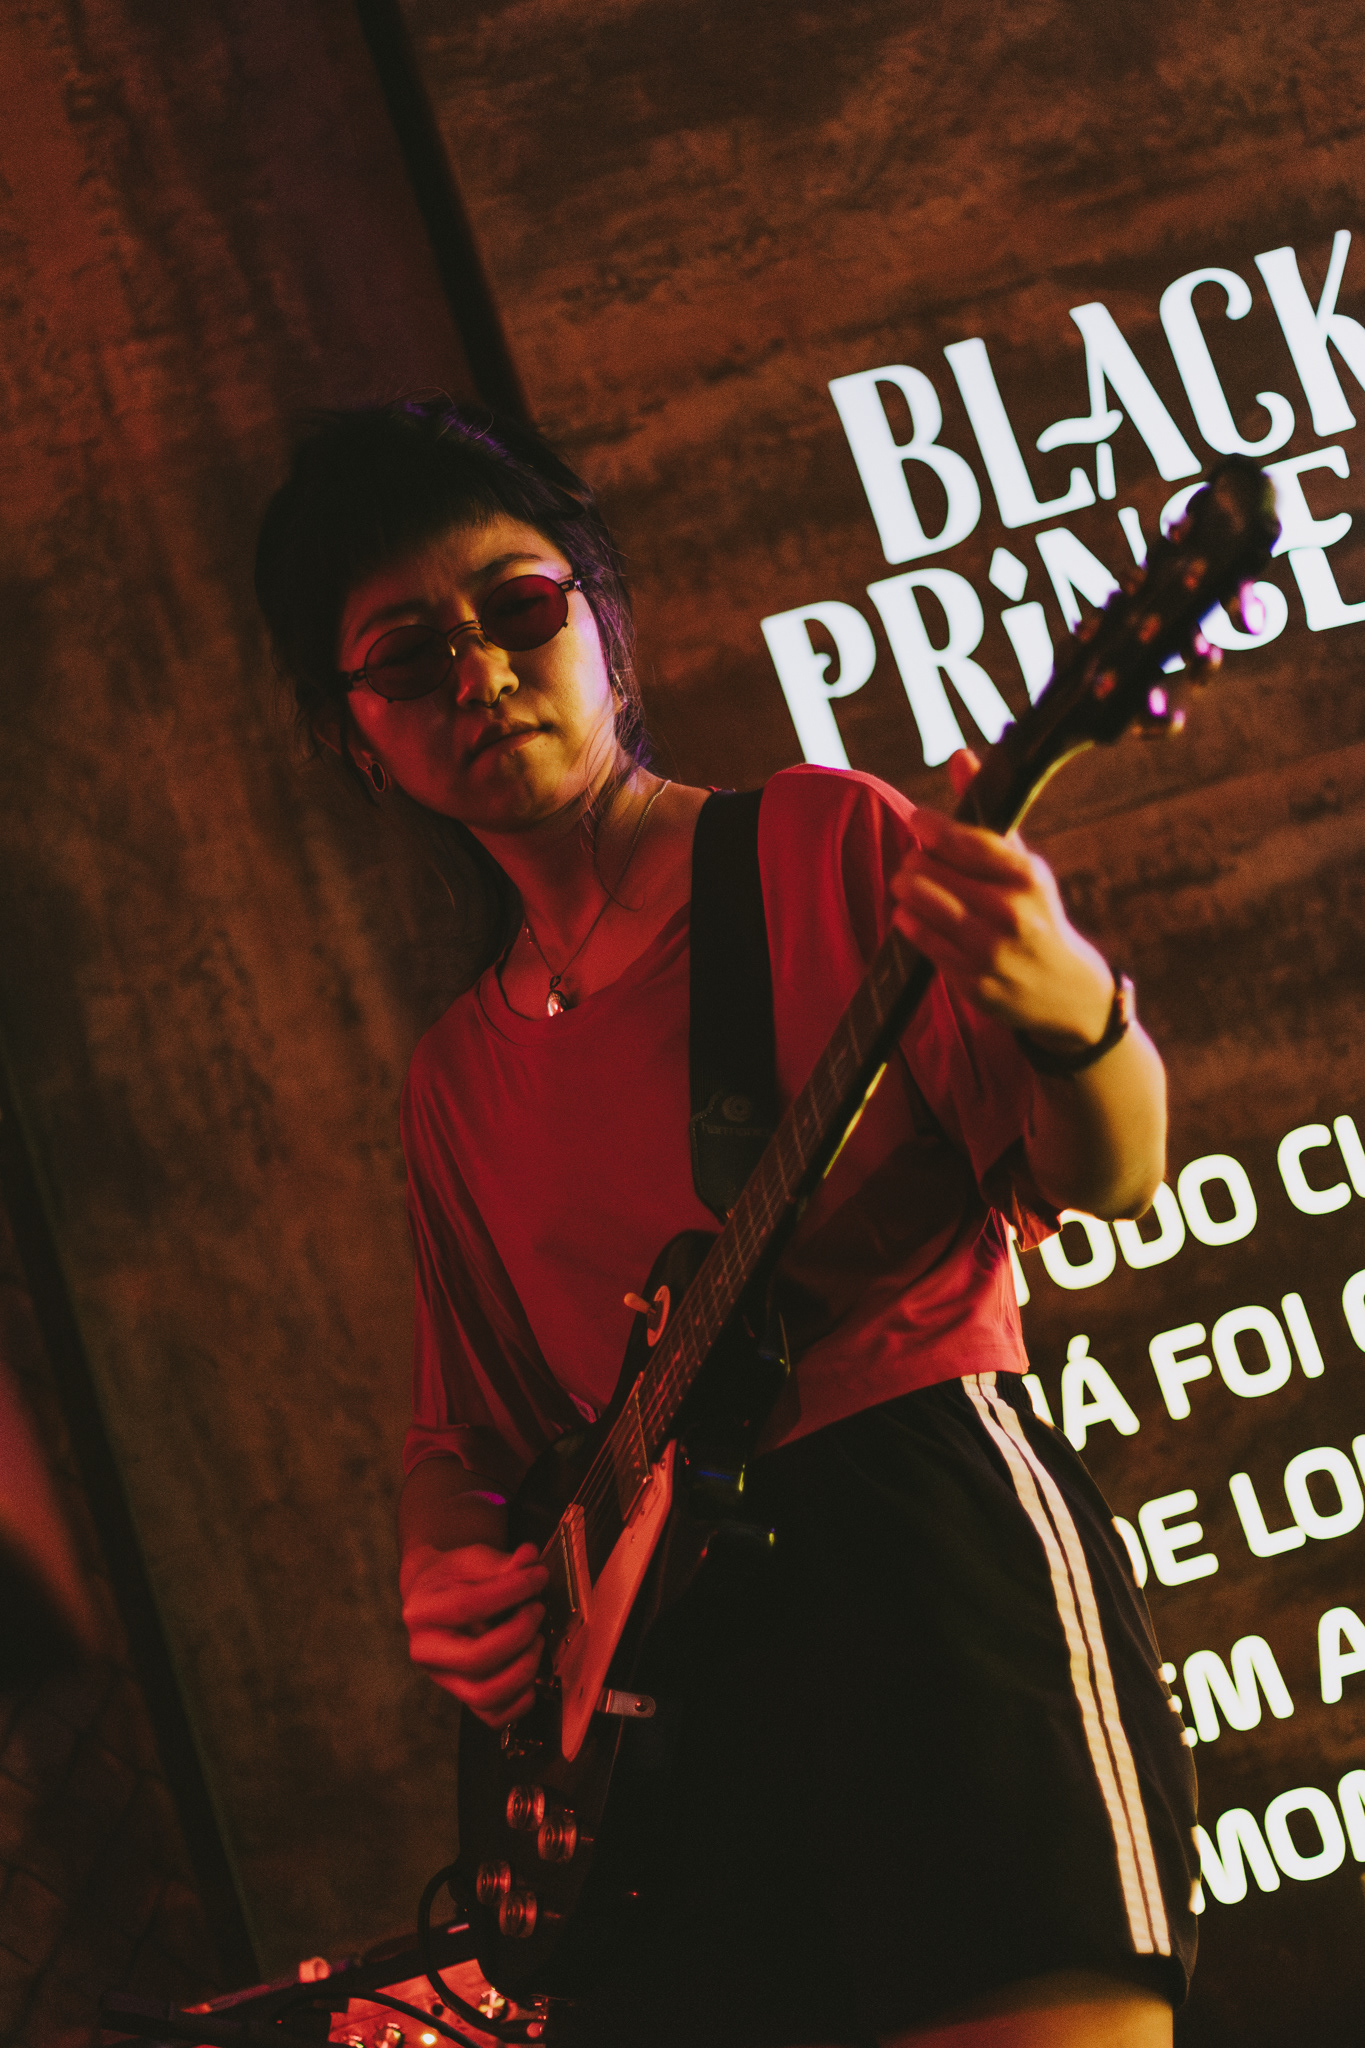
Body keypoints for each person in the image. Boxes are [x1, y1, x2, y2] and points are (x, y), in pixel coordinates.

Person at [255, 398, 1198, 2048]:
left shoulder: (820, 841)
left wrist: (1071, 1009)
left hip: (917, 1555)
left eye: (518, 610)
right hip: (657, 1704)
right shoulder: (452, 1076)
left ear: (604, 628)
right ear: (356, 739)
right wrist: (442, 1560)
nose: (479, 673)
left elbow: (1108, 1172)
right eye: (408, 657)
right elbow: (465, 1436)